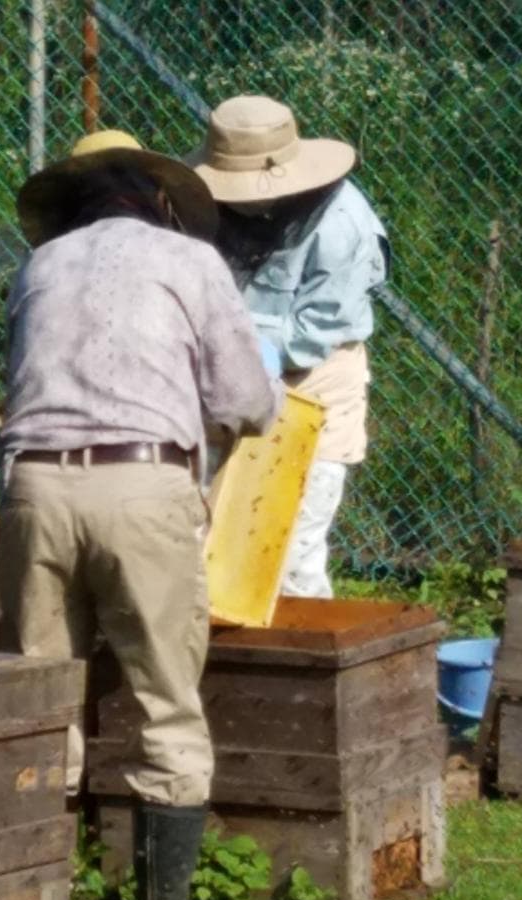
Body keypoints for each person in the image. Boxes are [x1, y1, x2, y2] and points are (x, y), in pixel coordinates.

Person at [0, 129, 280, 900]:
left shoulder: (38, 267)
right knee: (165, 696)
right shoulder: (191, 264)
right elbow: (244, 399)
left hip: (34, 488)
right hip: (143, 485)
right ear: (161, 203)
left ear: (73, 210)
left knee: (38, 697)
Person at [189, 95, 390, 598]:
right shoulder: (201, 208)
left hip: (313, 383)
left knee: (291, 549)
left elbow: (317, 328)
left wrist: (249, 354)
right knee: (199, 535)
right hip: (219, 380)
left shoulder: (343, 222)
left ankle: (299, 668)